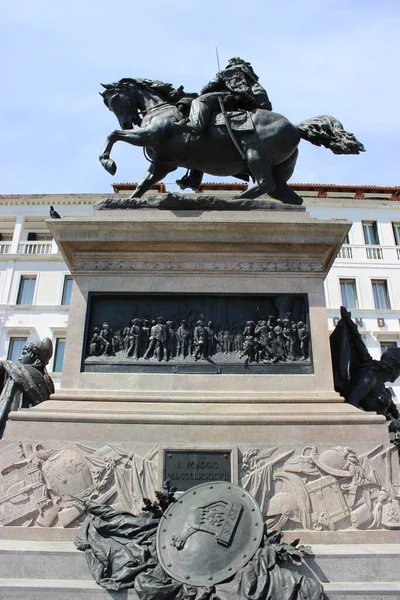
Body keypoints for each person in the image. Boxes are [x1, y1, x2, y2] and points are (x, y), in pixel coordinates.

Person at [174, 57, 272, 136]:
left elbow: (206, 88)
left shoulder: (228, 71)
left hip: (231, 97)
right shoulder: (250, 77)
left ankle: (195, 125)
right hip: (248, 102)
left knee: (200, 100)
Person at [0, 338, 55, 435]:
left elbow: (4, 366)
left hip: (10, 425)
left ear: (34, 356)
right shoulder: (48, 382)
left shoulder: (18, 370)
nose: (20, 358)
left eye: (24, 353)